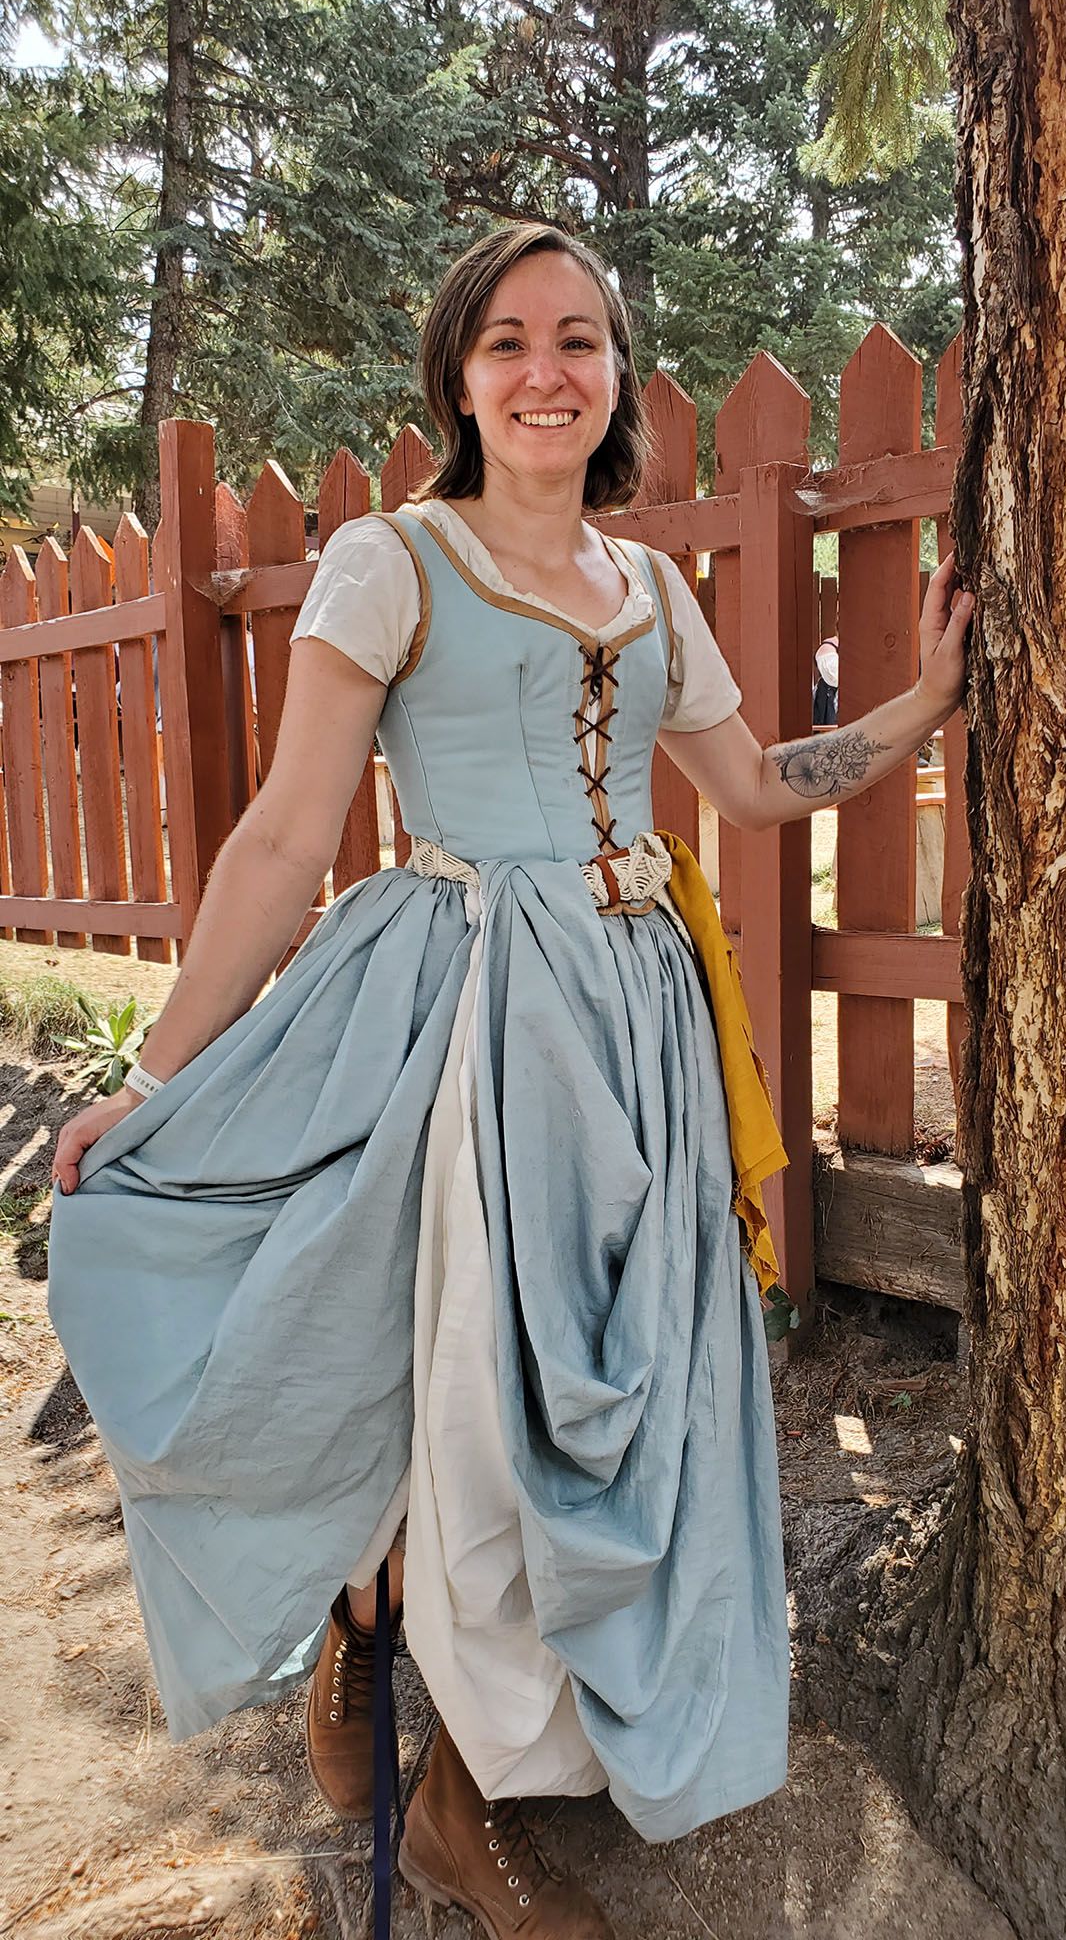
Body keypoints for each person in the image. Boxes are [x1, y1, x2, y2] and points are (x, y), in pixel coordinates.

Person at [46, 221, 973, 1940]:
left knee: (607, 1391)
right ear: (459, 380)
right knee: (482, 1404)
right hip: (471, 1008)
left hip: (636, 1021)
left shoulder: (652, 587)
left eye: (579, 340)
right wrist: (150, 1075)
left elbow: (756, 786)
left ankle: (424, 1726)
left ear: (619, 376)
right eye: (508, 344)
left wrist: (919, 704)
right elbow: (275, 839)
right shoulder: (389, 563)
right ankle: (442, 1789)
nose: (546, 372)